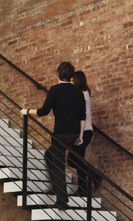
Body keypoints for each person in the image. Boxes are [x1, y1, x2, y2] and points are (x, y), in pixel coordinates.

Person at [20, 61, 85, 209]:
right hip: (74, 133)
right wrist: (80, 135)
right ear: (71, 76)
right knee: (50, 155)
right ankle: (56, 187)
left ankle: (62, 200)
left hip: (61, 133)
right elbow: (83, 116)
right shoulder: (78, 92)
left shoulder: (55, 90)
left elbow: (44, 111)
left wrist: (27, 111)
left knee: (58, 164)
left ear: (58, 75)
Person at [70, 70, 96, 196]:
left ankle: (83, 188)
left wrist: (79, 135)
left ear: (77, 80)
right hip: (85, 131)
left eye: (72, 80)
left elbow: (82, 116)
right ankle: (93, 177)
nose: (71, 82)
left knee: (77, 160)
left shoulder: (82, 95)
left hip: (83, 132)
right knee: (72, 160)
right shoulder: (85, 94)